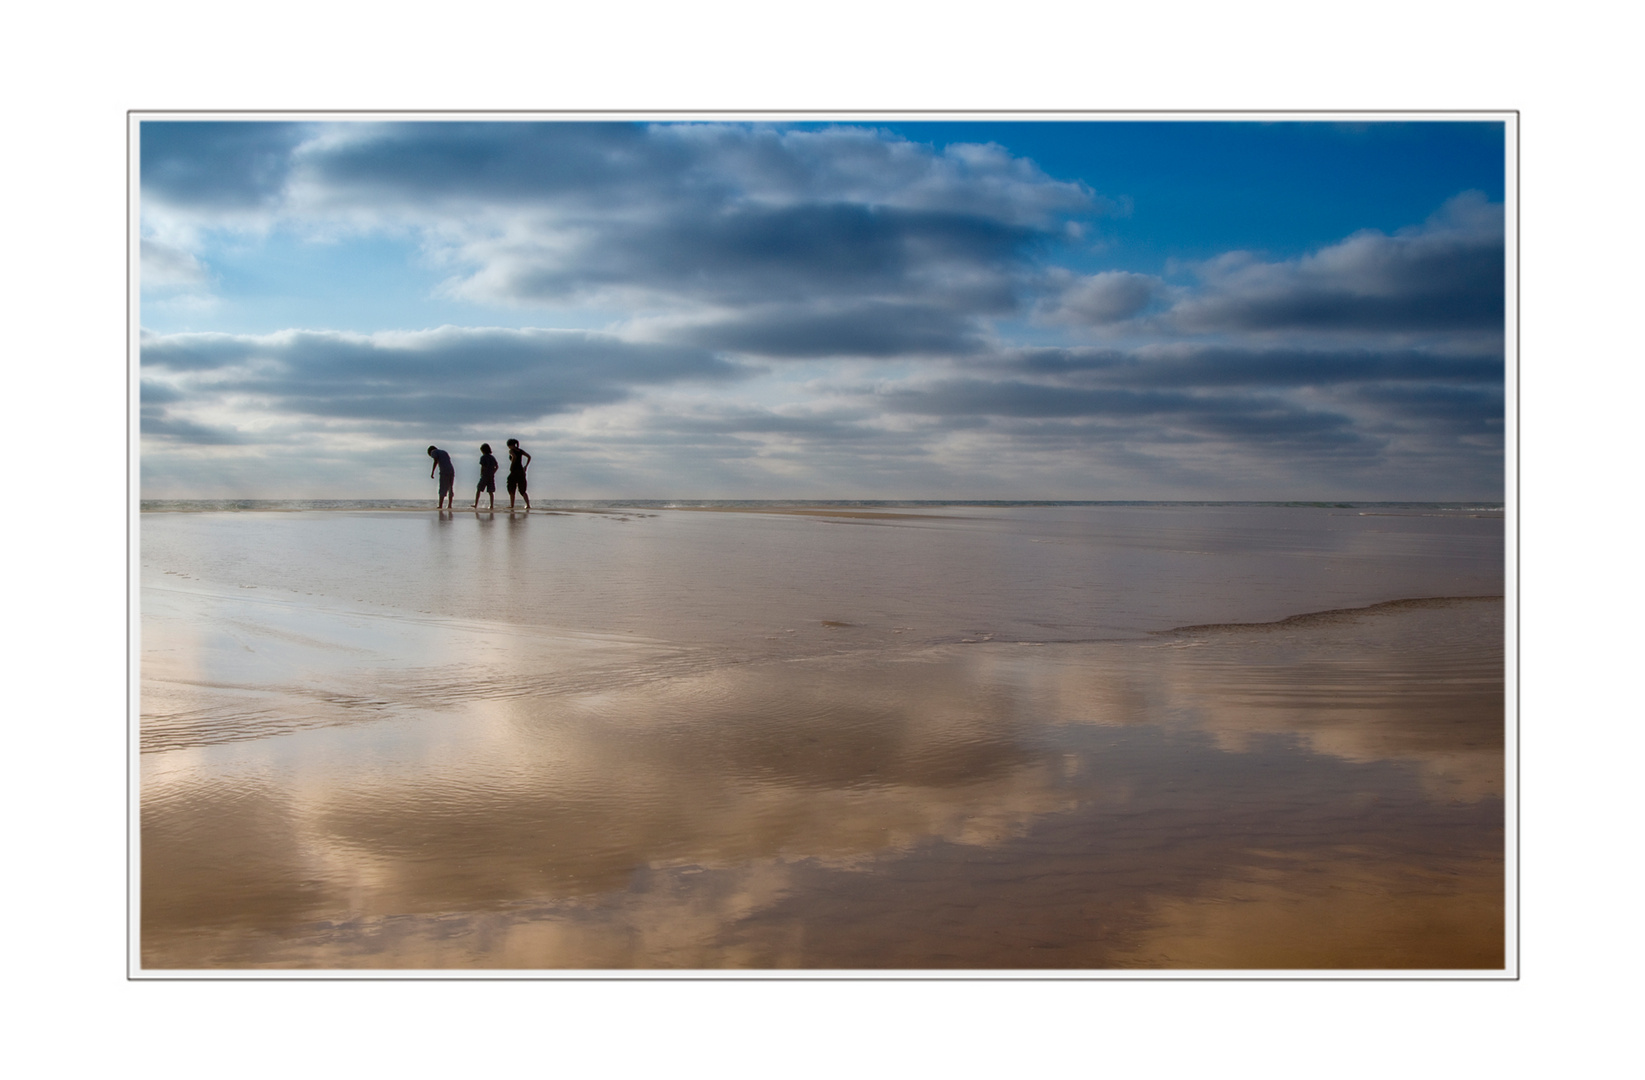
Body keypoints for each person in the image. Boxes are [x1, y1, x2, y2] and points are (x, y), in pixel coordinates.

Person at [505, 438, 532, 510]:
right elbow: (529, 456)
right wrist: (526, 466)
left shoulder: (511, 451)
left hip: (514, 470)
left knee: (511, 487)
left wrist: (511, 466)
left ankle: (512, 505)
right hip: (521, 471)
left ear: (510, 445)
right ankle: (528, 504)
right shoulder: (520, 450)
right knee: (522, 489)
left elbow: (514, 457)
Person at [427, 445, 456, 509]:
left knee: (442, 487)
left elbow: (435, 461)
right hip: (451, 470)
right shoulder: (444, 452)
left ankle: (440, 505)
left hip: (444, 471)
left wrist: (432, 472)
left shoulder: (433, 452)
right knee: (450, 488)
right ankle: (449, 505)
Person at [473, 443, 499, 510]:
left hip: (485, 475)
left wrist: (481, 473)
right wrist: (493, 472)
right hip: (491, 476)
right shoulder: (492, 457)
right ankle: (491, 505)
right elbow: (497, 466)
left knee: (479, 489)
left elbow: (483, 466)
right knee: (490, 491)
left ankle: (476, 504)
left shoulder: (483, 457)